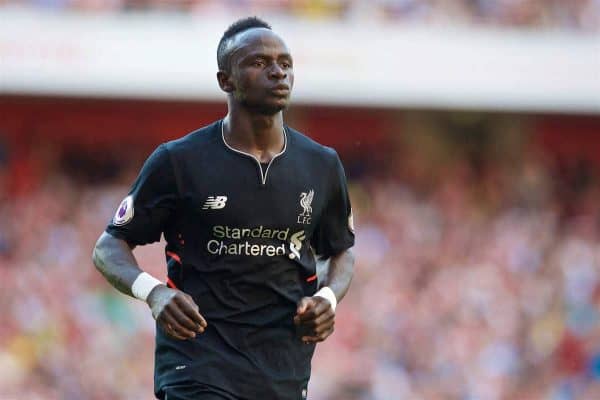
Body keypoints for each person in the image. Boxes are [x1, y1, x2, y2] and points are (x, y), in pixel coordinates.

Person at [92, 16, 355, 400]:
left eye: (285, 63)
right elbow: (108, 247)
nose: (278, 72)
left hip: (282, 367)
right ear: (225, 81)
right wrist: (155, 293)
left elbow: (341, 249)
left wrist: (327, 299)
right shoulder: (179, 161)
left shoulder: (322, 164)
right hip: (197, 363)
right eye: (259, 63)